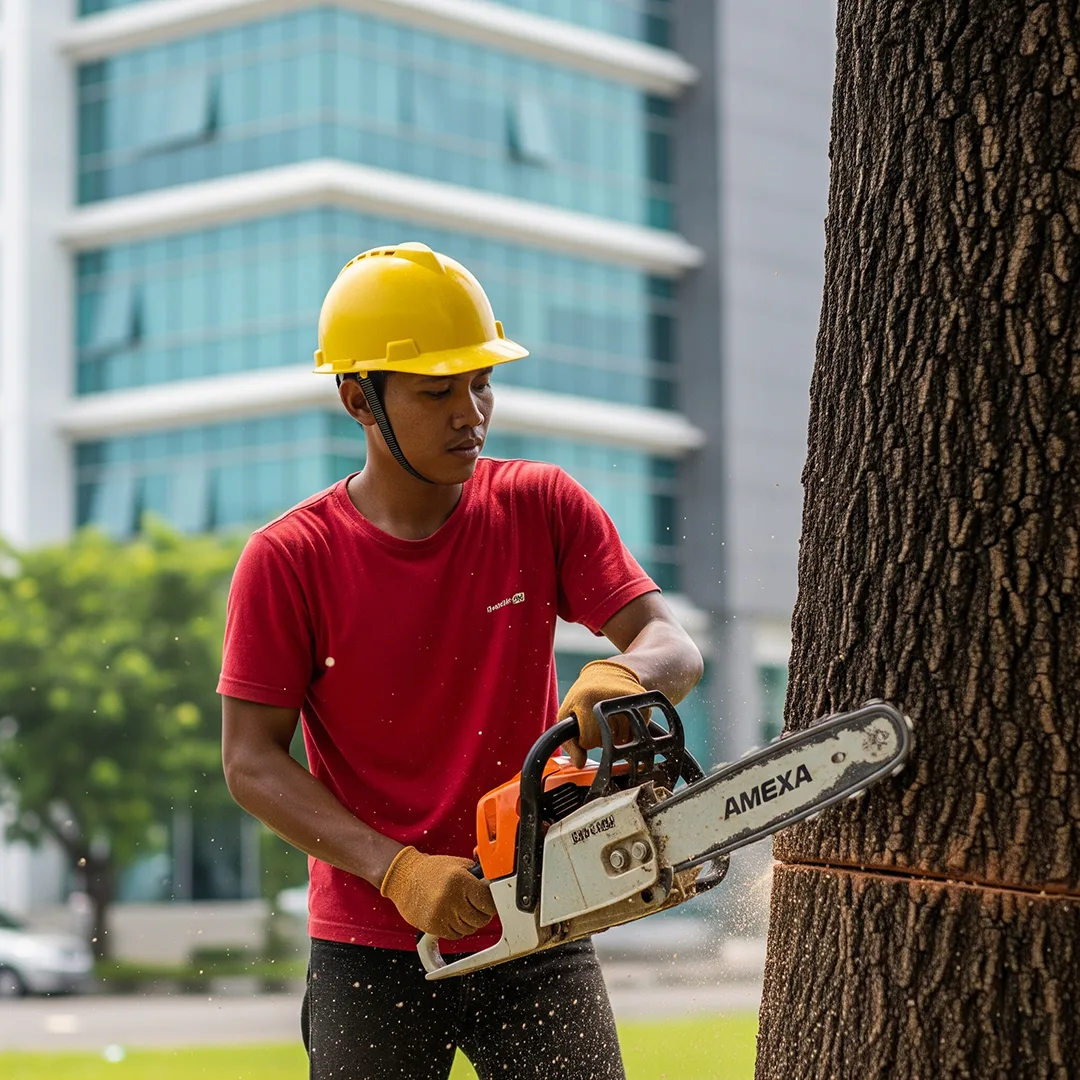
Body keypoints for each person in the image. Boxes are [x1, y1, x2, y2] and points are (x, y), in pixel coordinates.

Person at [218, 242, 703, 1079]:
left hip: (538, 920)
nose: (469, 413)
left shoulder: (540, 504)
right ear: (357, 398)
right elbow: (249, 761)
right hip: (370, 953)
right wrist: (395, 869)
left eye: (481, 382)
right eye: (436, 390)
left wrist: (628, 675)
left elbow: (673, 645)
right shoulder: (290, 557)